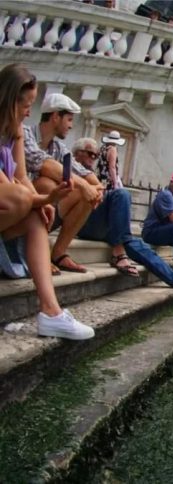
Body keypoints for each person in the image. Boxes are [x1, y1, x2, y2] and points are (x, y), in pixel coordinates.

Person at [0, 64, 93, 339]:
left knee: (34, 217)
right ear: (8, 99)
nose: (30, 111)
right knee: (23, 200)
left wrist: (46, 201)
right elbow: (9, 185)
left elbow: (20, 177)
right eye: (26, 104)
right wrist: (39, 199)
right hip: (7, 199)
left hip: (8, 204)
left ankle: (51, 312)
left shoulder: (15, 130)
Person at [72, 137, 173, 289]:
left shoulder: (92, 174)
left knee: (137, 245)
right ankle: (118, 251)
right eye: (89, 154)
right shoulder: (70, 168)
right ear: (77, 153)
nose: (93, 158)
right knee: (121, 194)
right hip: (81, 223)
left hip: (100, 221)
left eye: (95, 155)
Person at [24, 93, 103, 274]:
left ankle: (58, 253)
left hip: (48, 209)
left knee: (89, 194)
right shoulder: (25, 133)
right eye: (68, 119)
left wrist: (96, 187)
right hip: (23, 207)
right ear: (55, 117)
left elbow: (83, 172)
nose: (71, 125)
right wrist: (84, 185)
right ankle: (39, 254)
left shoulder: (59, 147)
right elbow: (43, 163)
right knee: (46, 184)